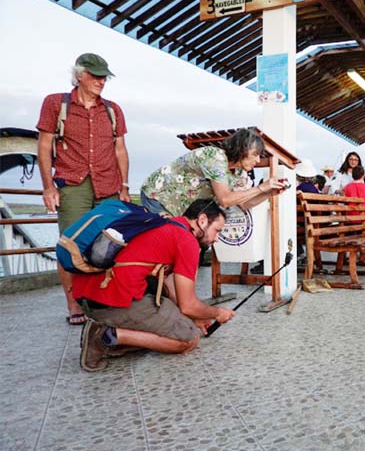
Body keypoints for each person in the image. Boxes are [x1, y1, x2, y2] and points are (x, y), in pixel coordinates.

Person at [73, 199, 235, 372]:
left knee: (181, 323)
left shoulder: (166, 224)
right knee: (189, 338)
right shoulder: (187, 240)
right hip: (112, 302)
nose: (216, 238)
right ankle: (104, 336)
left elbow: (172, 289)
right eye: (217, 230)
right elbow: (188, 305)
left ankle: (113, 333)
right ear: (202, 220)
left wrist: (195, 316)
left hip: (88, 298)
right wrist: (217, 313)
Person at [37, 53, 131, 326]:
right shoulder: (55, 103)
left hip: (109, 184)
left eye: (104, 77)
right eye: (96, 76)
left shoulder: (113, 110)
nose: (102, 81)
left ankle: (104, 299)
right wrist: (47, 187)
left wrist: (124, 186)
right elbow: (44, 146)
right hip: (73, 183)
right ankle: (73, 304)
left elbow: (120, 149)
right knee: (70, 245)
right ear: (80, 75)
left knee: (111, 243)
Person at [140, 128, 287, 216]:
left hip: (177, 206)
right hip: (158, 196)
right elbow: (225, 199)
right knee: (171, 243)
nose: (258, 160)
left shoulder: (239, 173)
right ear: (241, 149)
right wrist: (262, 187)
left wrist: (268, 193)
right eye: (255, 154)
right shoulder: (214, 157)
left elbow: (243, 204)